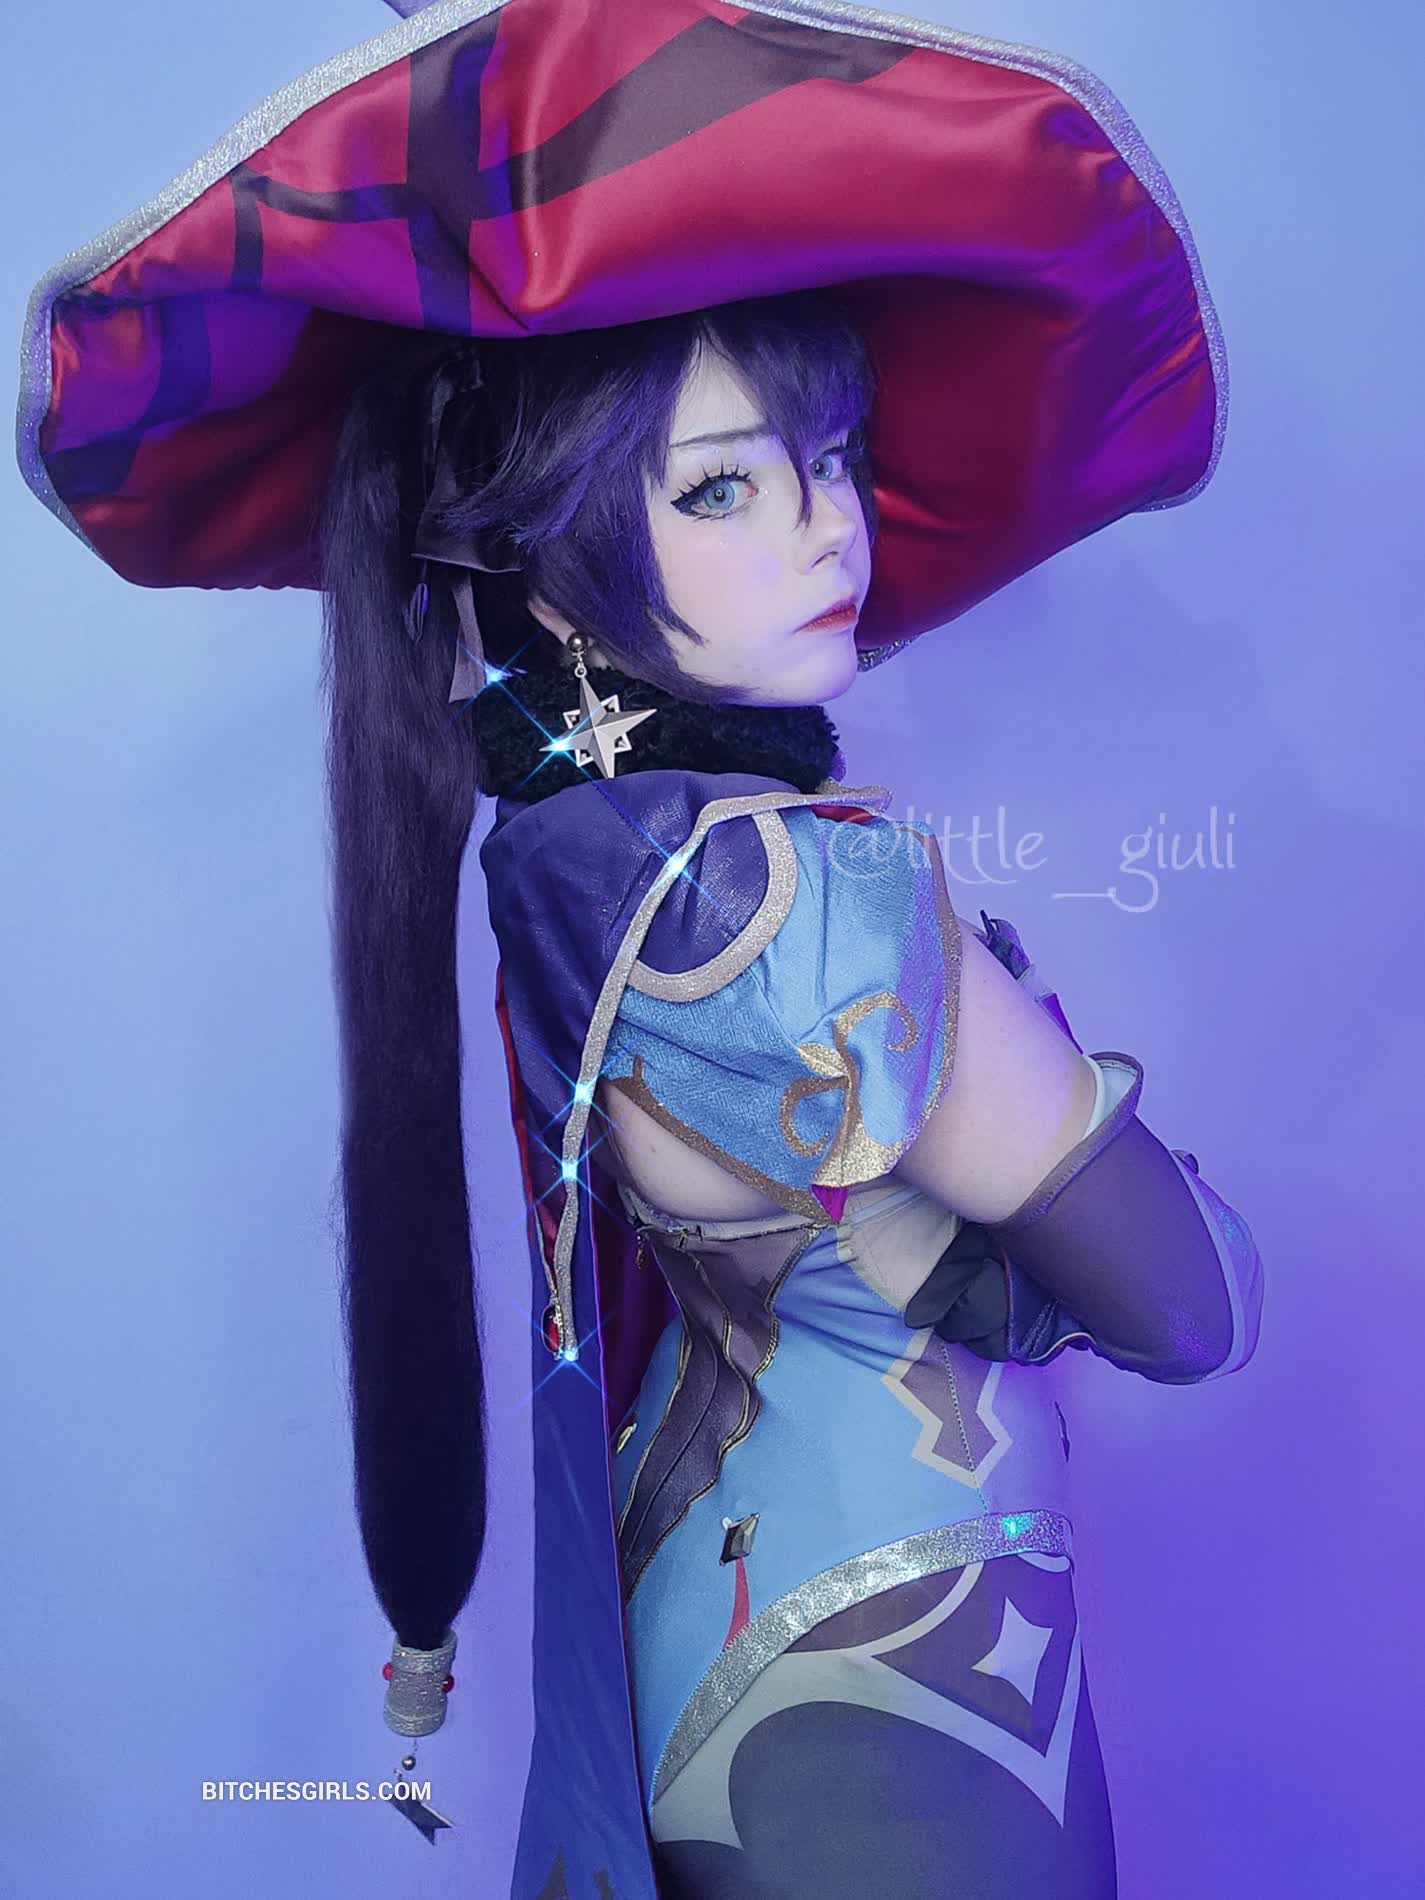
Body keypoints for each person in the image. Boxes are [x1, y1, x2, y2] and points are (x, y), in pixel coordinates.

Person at [14, 3, 1263, 1893]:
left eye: (829, 456)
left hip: (716, 1628)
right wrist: (1055, 1161)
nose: (825, 531)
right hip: (904, 1683)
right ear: (542, 554)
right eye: (719, 486)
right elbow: (1198, 1307)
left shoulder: (563, 854)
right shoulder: (800, 895)